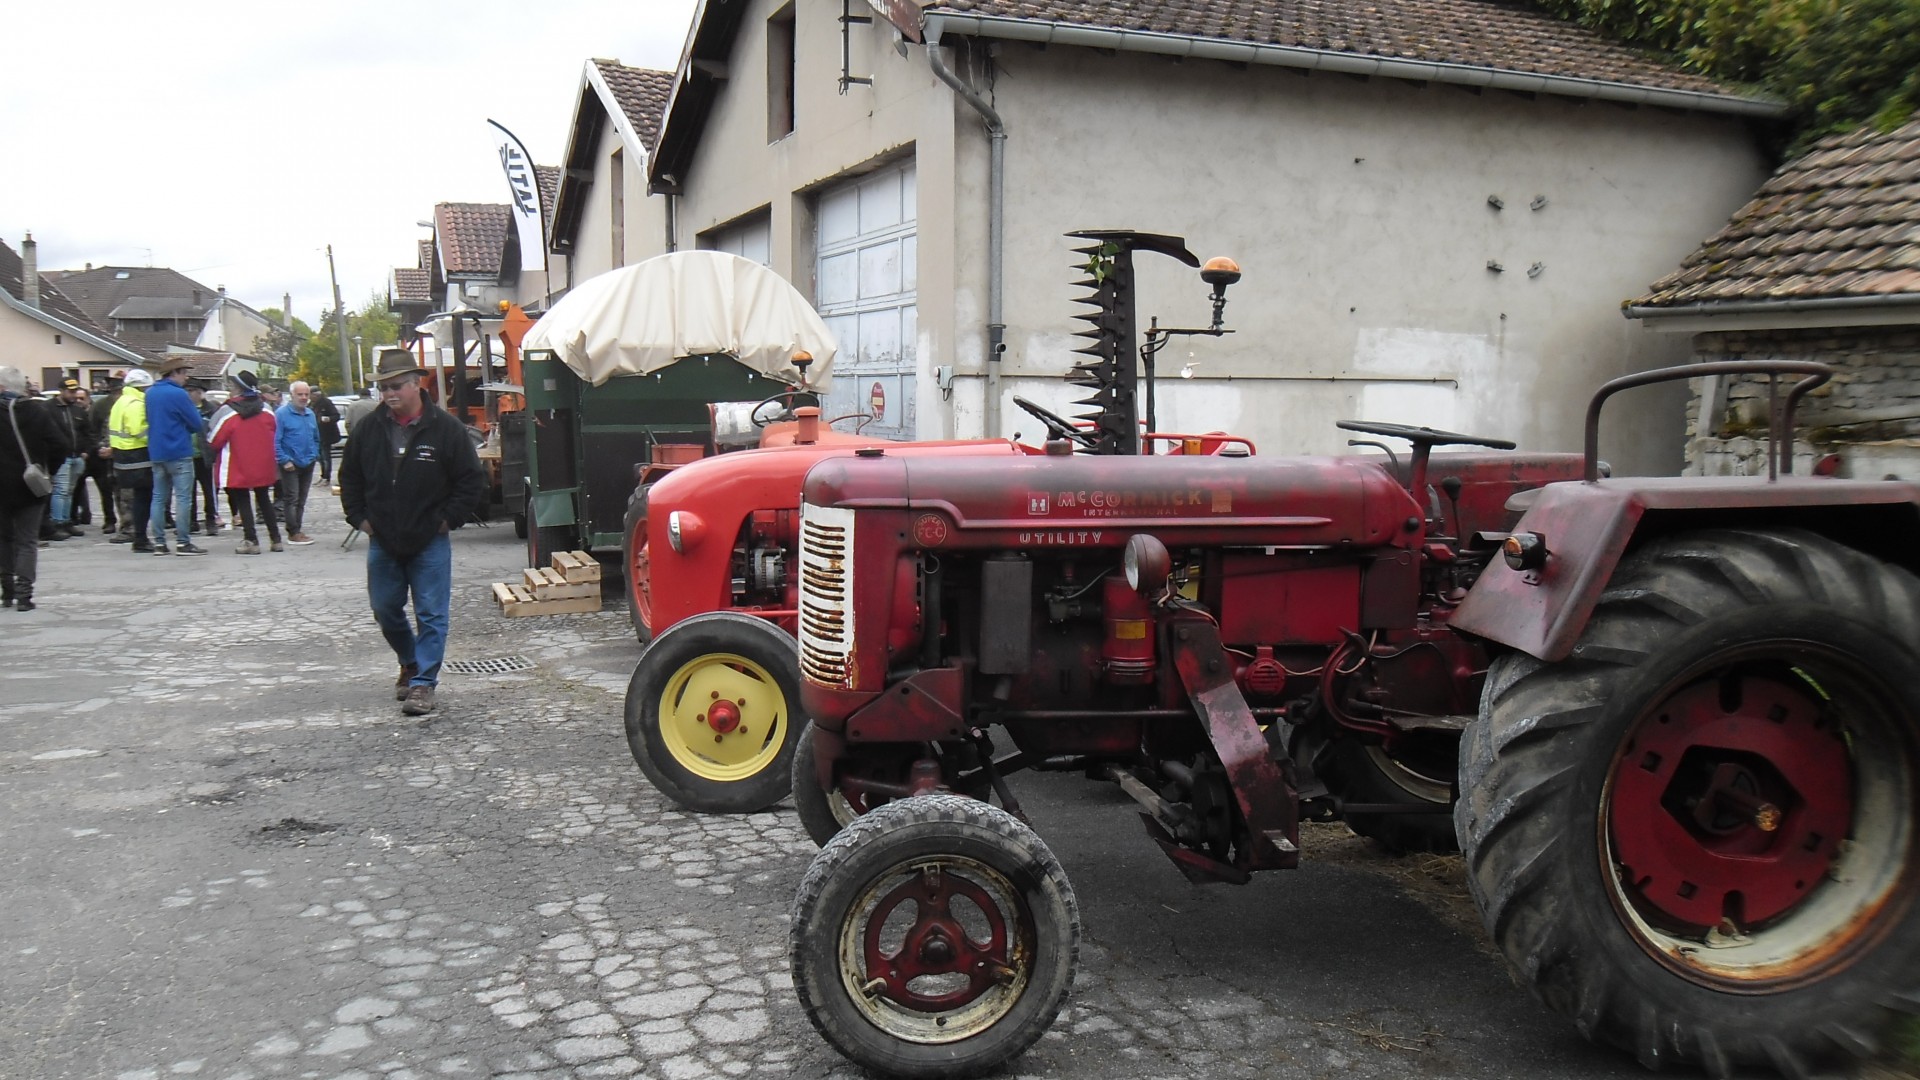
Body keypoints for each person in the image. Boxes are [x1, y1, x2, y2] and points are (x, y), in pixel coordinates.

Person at [341, 350, 484, 716]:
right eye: (383, 387)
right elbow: (350, 478)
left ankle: (423, 685)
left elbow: (470, 480)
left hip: (430, 539)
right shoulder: (368, 431)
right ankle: (410, 660)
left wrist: (448, 519)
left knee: (432, 614)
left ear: (416, 384)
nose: (389, 394)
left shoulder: (446, 430)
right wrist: (360, 518)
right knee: (385, 608)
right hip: (383, 539)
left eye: (396, 386)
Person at [0, 366, 61, 612]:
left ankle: (7, 591)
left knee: (3, 538)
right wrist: (47, 468)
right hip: (29, 484)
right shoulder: (37, 411)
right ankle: (25, 594)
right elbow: (61, 444)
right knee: (27, 540)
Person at [208, 371, 283, 555]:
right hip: (263, 462)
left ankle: (251, 540)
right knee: (264, 498)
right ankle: (276, 539)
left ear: (239, 388)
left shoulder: (227, 411)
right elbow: (274, 430)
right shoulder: (266, 409)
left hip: (238, 462)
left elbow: (214, 439)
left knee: (242, 500)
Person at [145, 356, 208, 556]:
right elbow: (196, 423)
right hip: (179, 450)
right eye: (184, 373)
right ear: (175, 373)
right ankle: (183, 542)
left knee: (158, 498)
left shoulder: (150, 393)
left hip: (156, 451)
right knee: (183, 498)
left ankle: (159, 543)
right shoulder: (179, 394)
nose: (186, 378)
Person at [108, 367, 156, 552]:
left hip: (122, 454)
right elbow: (139, 431)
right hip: (137, 455)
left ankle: (138, 536)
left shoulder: (121, 401)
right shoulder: (136, 404)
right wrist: (157, 435)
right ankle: (141, 538)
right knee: (143, 498)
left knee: (133, 498)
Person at [274, 380, 320, 544]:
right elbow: (275, 440)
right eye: (300, 394)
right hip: (290, 463)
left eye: (306, 394)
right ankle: (293, 531)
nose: (303, 397)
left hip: (308, 462)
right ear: (292, 395)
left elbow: (315, 438)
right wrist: (284, 459)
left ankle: (298, 529)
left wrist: (314, 454)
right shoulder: (281, 414)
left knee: (302, 498)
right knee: (291, 498)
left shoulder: (310, 414)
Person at [44, 377, 88, 541]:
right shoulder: (48, 408)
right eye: (70, 392)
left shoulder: (77, 410)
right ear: (61, 391)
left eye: (75, 391)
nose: (73, 395)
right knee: (61, 490)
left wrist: (85, 450)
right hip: (60, 457)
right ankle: (58, 522)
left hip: (77, 456)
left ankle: (66, 520)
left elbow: (85, 432)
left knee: (69, 491)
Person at [88, 372, 122, 537]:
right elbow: (92, 430)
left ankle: (125, 521)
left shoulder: (130, 404)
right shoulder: (100, 405)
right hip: (102, 455)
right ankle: (109, 519)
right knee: (105, 490)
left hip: (122, 452)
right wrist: (99, 448)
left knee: (123, 490)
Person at [188, 383, 221, 536]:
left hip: (206, 456)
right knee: (188, 491)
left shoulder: (210, 410)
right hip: (188, 455)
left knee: (209, 490)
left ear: (199, 392)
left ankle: (211, 520)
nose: (188, 394)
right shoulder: (184, 408)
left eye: (191, 390)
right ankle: (191, 521)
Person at [312, 389, 341, 486]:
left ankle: (326, 477)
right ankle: (323, 475)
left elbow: (336, 416)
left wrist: (328, 419)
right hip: (316, 434)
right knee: (319, 457)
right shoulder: (311, 404)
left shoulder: (326, 403)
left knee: (325, 457)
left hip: (326, 434)